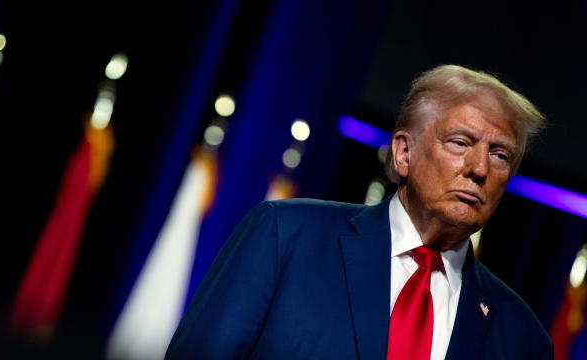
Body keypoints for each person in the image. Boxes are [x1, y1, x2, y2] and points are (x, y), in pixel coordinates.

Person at [166, 65, 553, 359]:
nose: (480, 168)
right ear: (403, 153)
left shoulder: (522, 337)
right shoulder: (285, 237)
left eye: (500, 155)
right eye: (460, 142)